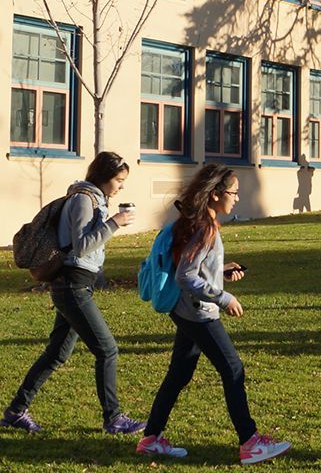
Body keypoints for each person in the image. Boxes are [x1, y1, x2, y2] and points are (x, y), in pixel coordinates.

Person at [137, 163, 291, 463]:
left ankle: (151, 438)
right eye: (234, 192)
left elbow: (192, 267)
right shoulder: (205, 228)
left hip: (184, 310)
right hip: (198, 313)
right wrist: (223, 297)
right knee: (233, 369)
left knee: (180, 373)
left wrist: (219, 271)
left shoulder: (195, 221)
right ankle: (250, 443)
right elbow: (185, 275)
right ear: (216, 194)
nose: (237, 198)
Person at [2, 152, 145, 436]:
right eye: (119, 179)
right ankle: (114, 418)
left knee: (57, 353)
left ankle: (16, 411)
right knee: (107, 350)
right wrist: (114, 223)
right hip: (72, 285)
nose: (121, 186)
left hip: (77, 285)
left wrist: (111, 222)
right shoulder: (83, 199)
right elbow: (82, 246)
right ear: (104, 176)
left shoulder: (95, 199)